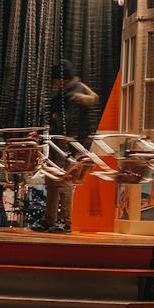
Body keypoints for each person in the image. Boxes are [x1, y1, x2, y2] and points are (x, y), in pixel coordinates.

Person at [44, 61, 101, 229]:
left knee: (63, 180)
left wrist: (56, 128)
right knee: (53, 180)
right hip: (61, 139)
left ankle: (65, 221)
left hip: (66, 141)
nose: (53, 83)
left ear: (61, 79)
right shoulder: (71, 91)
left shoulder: (72, 95)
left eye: (54, 80)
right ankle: (50, 220)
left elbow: (69, 120)